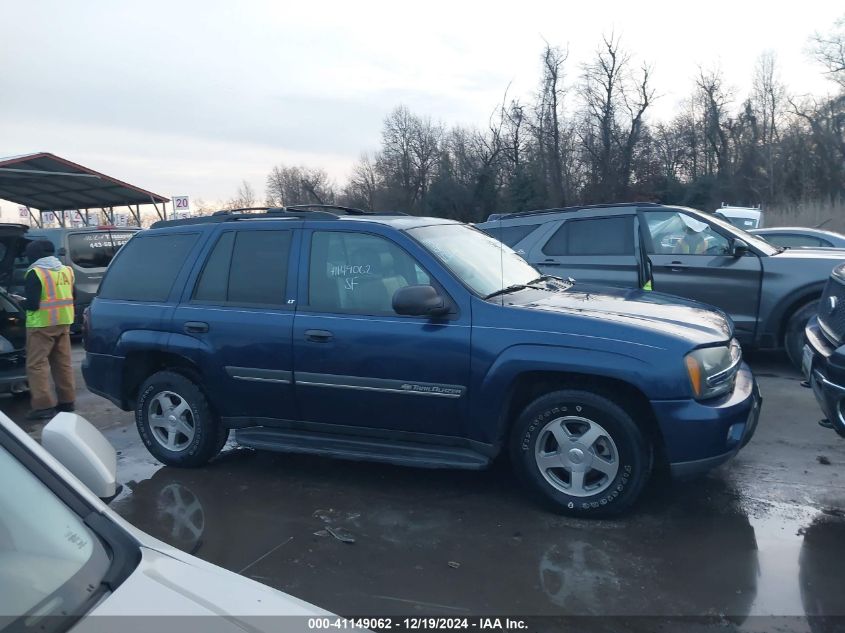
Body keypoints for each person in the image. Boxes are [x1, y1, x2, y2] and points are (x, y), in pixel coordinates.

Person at [21, 240, 76, 420]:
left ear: (34, 254)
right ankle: (67, 402)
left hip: (41, 325)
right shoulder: (66, 270)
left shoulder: (35, 273)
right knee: (63, 363)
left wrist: (19, 300)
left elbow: (32, 304)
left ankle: (43, 407)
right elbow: (71, 295)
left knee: (37, 365)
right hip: (64, 322)